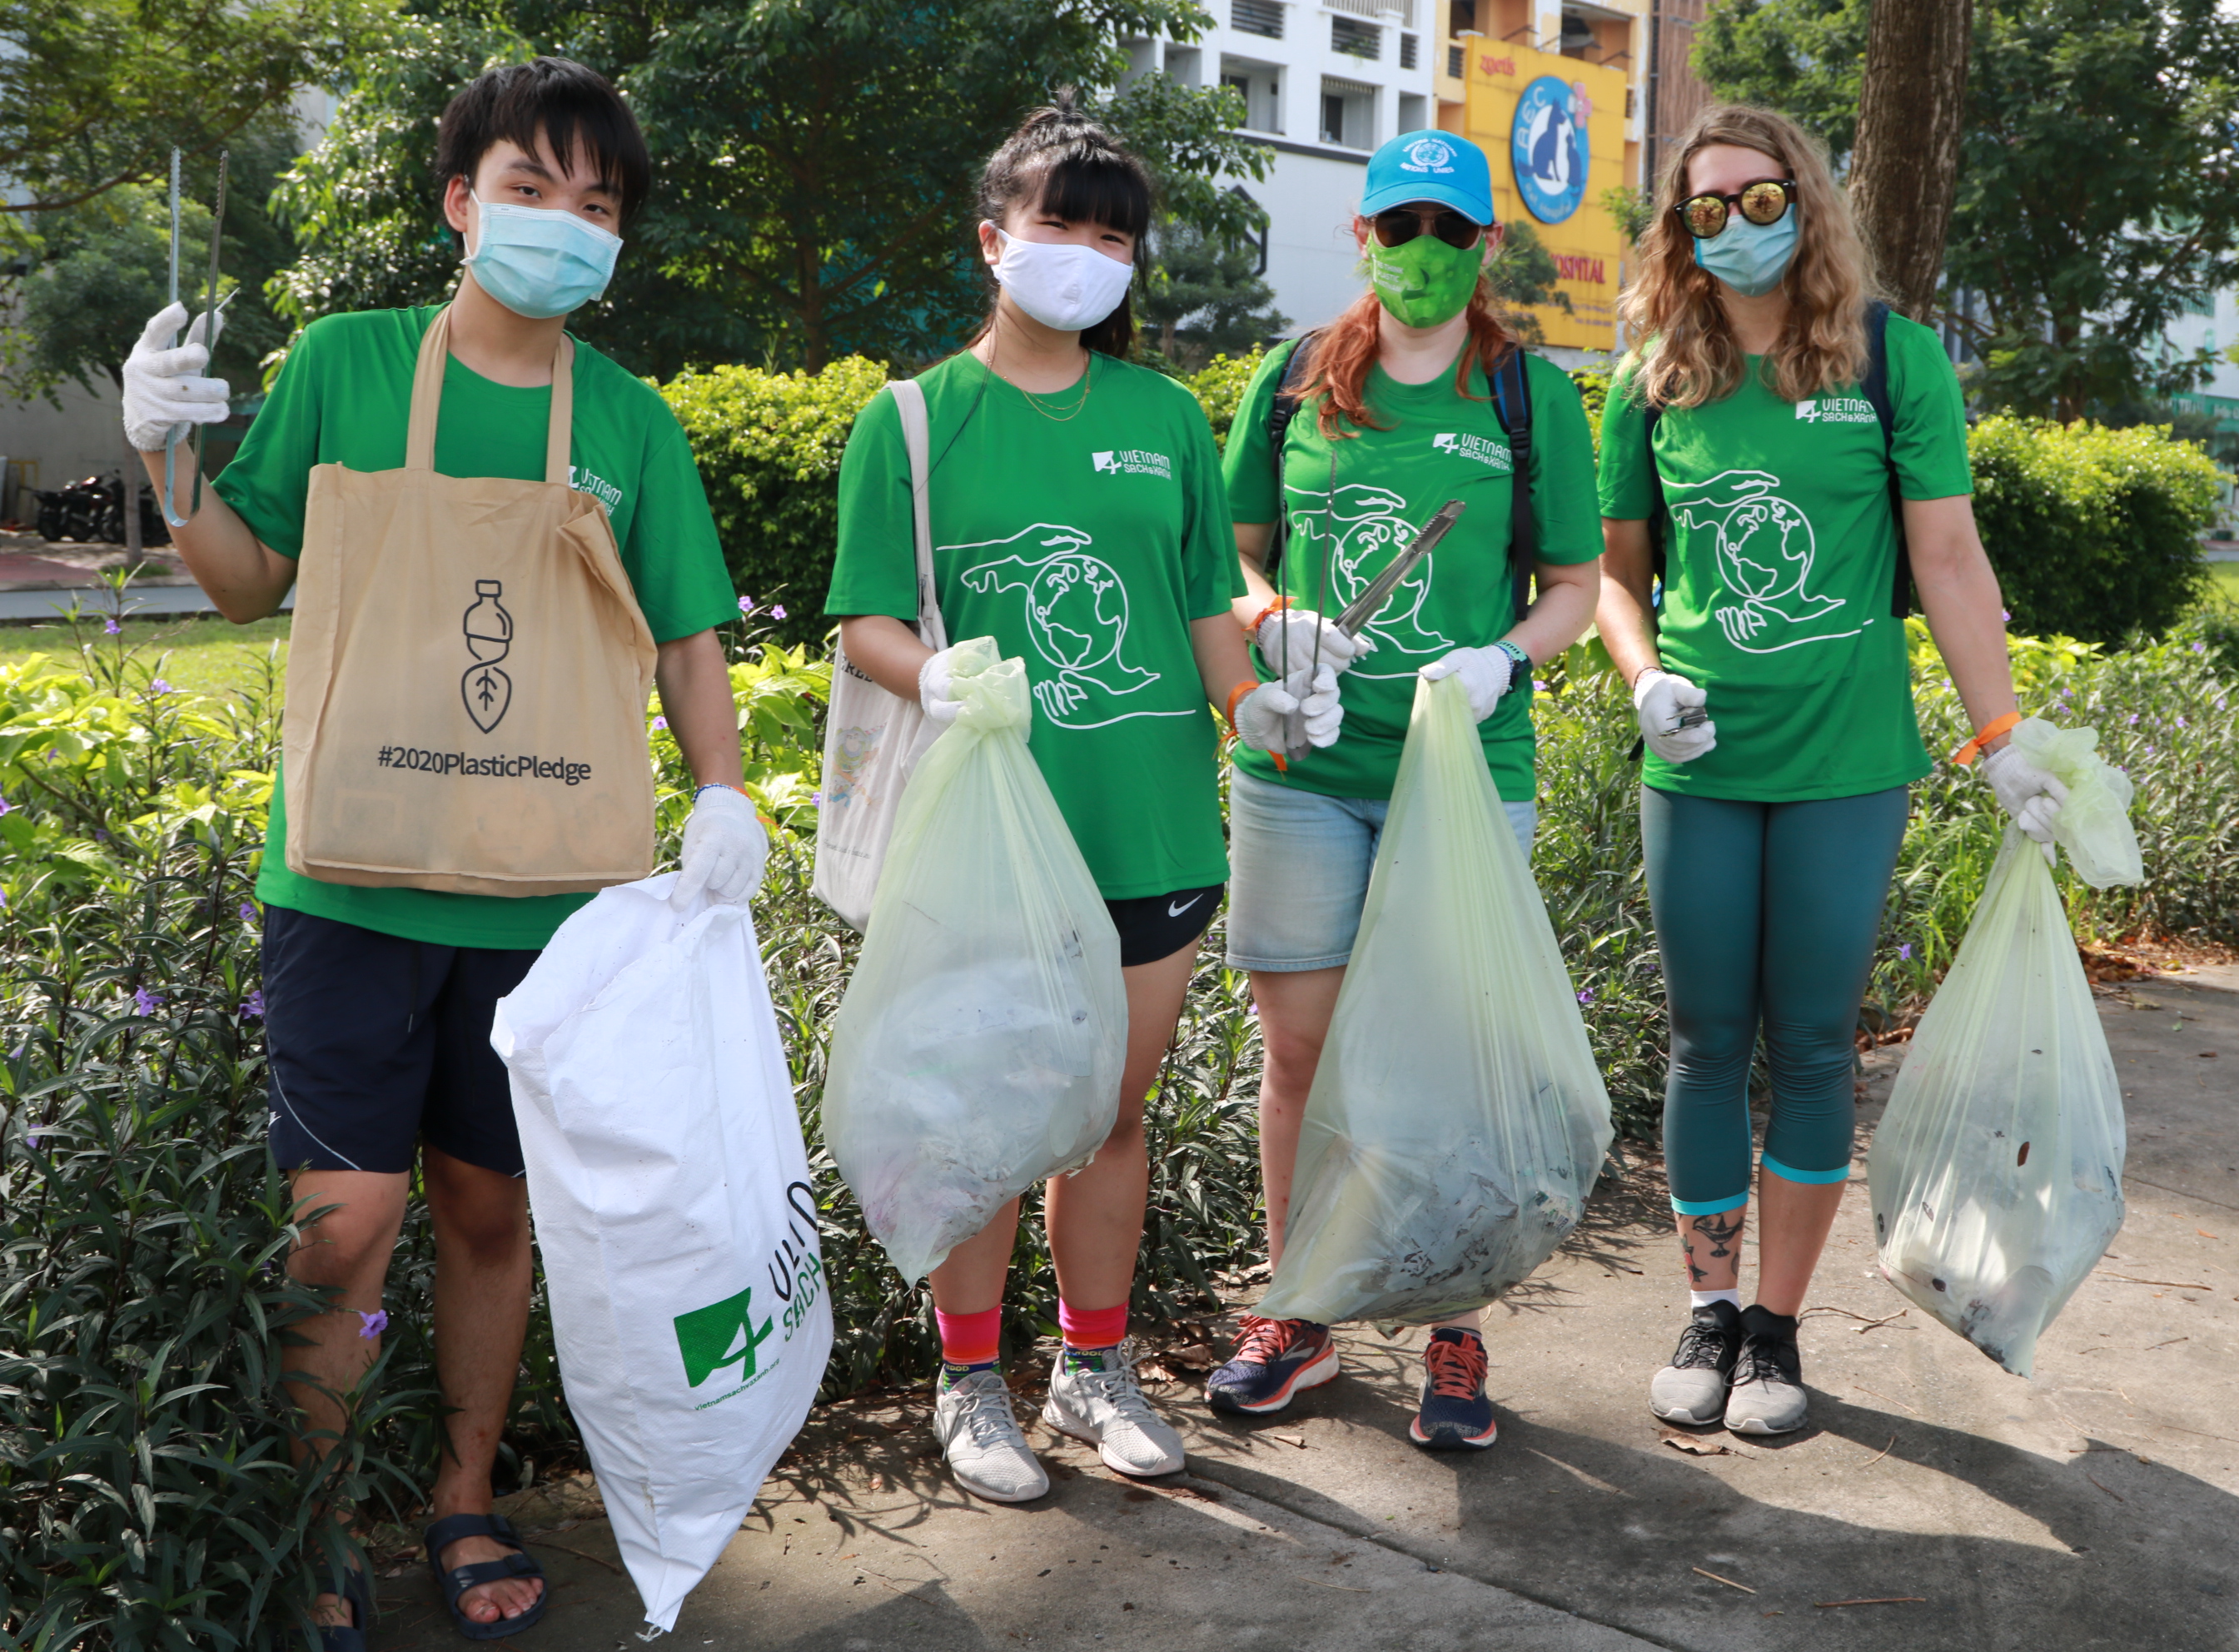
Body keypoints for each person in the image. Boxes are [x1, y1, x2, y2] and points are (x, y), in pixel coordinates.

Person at [118, 58, 765, 1645]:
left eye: (596, 206)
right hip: (346, 879)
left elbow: (688, 637)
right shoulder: (347, 364)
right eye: (531, 190)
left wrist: (725, 792)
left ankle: (463, 1496)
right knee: (341, 1225)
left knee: (490, 1209)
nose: (563, 226)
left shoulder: (627, 421)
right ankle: (317, 1522)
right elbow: (240, 582)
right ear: (459, 199)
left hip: (551, 897)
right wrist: (165, 460)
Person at [828, 102, 1331, 1505]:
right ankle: (970, 1380)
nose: (1088, 254)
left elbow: (1199, 608)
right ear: (995, 240)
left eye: (1115, 235)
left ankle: (1095, 1368)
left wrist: (1257, 706)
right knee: (988, 1111)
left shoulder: (1166, 418)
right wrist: (935, 679)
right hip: (990, 841)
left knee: (1114, 1110)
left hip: (1148, 822)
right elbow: (865, 618)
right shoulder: (915, 421)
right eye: (1062, 223)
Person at [1595, 103, 2072, 1437]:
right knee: (1702, 1043)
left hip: (1846, 763)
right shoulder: (1655, 379)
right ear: (1677, 231)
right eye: (1707, 208)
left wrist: (2001, 737)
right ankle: (1704, 1306)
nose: (1736, 225)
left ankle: (1775, 1333)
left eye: (1761, 199)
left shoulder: (1890, 361)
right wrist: (1643, 679)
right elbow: (1607, 584)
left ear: (1807, 202)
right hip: (1697, 761)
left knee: (1809, 1043)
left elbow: (1950, 560)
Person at [1203, 129, 1602, 1450]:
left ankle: (1452, 1320)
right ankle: (1301, 1304)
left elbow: (1575, 589)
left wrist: (1502, 660)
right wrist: (1275, 631)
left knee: (1447, 1063)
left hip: (1463, 780)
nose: (1421, 250)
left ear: (1486, 247)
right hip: (1302, 767)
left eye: (1449, 229)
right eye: (1398, 226)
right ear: (1361, 237)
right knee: (1302, 1054)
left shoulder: (1526, 397)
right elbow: (1234, 558)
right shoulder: (1293, 381)